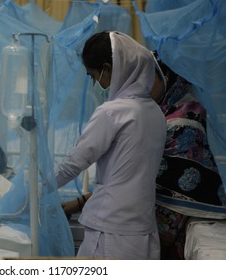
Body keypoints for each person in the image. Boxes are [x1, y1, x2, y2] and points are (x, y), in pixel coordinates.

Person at [55, 31, 166, 259]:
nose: (96, 83)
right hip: (142, 228)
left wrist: (35, 187)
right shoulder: (155, 112)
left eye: (94, 76)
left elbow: (72, 165)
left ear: (107, 69)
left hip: (111, 229)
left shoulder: (112, 112)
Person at [149, 53, 226, 259]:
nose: (144, 86)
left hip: (178, 217)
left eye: (150, 78)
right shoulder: (162, 110)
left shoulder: (185, 118)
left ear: (167, 77)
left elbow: (175, 180)